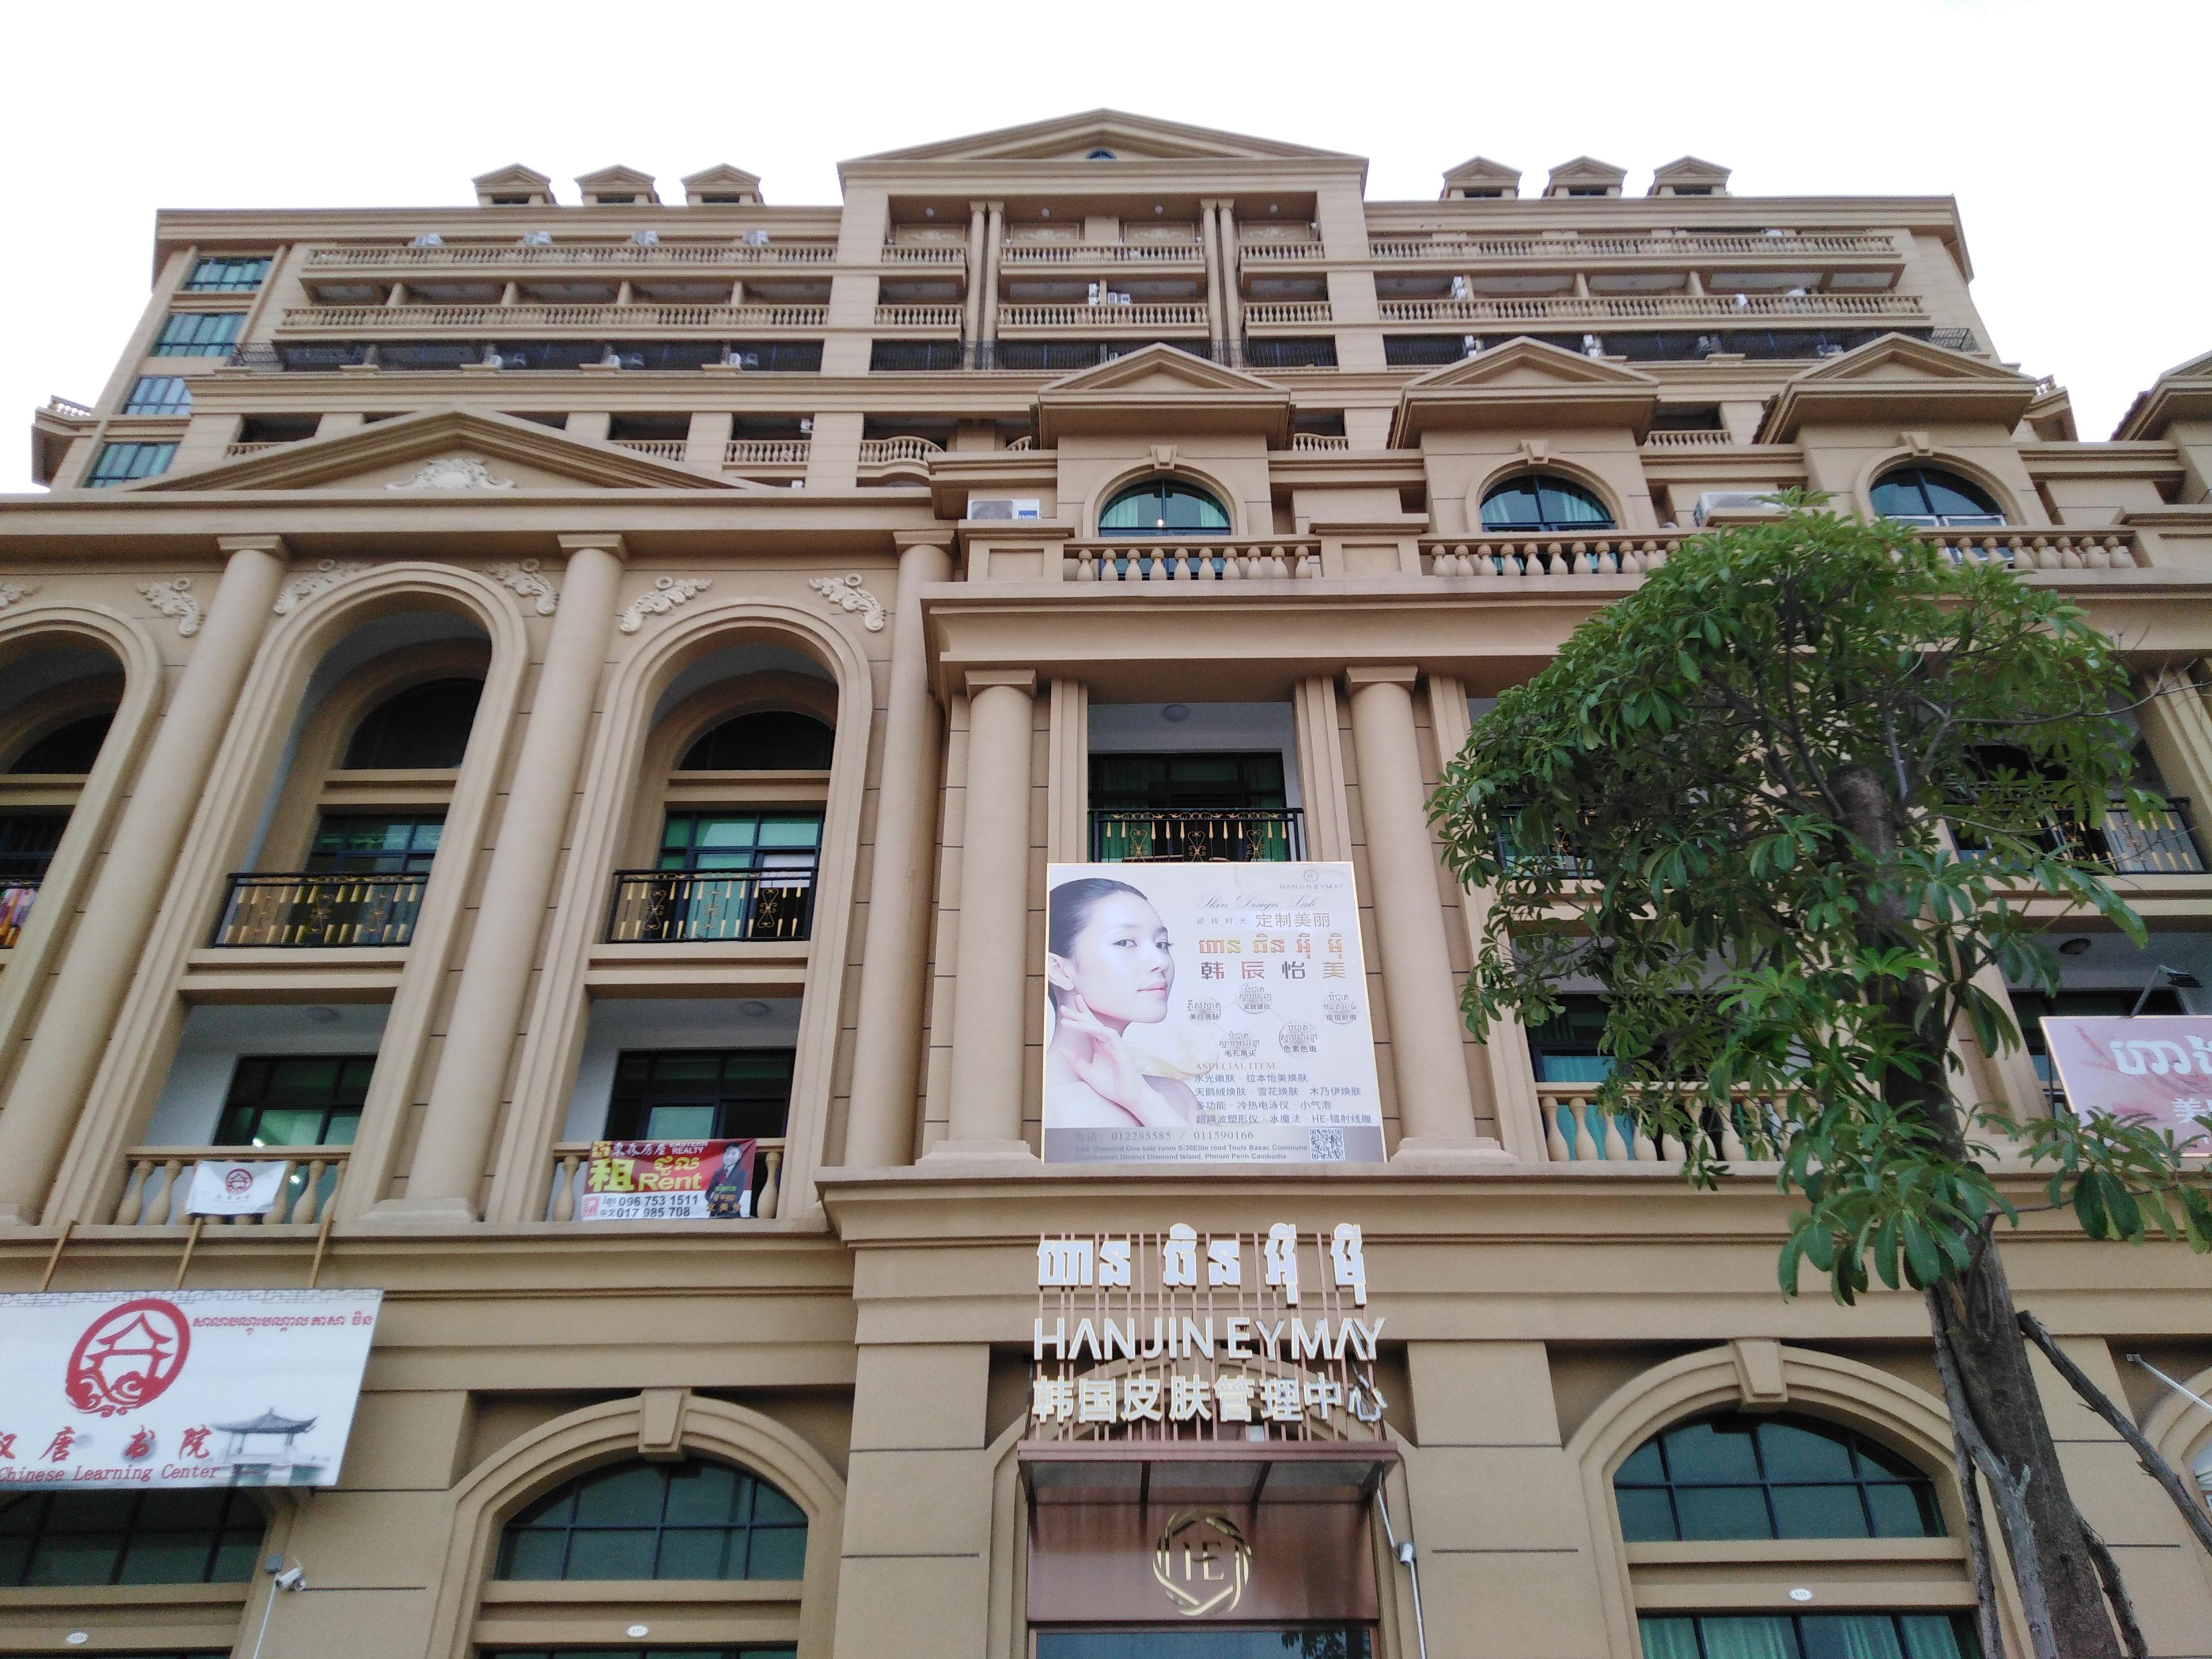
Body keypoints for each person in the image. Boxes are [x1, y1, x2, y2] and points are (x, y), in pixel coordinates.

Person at [1044, 877, 1199, 1130]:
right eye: (1125, 942)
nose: (1161, 961)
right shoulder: (1039, 1104)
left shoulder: (1176, 1098)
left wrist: (1143, 1102)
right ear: (1059, 970)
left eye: (1162, 945)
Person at [701, 1141, 753, 1218]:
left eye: (733, 1154)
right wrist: (713, 1200)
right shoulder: (718, 1173)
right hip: (714, 1214)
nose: (729, 1157)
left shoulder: (742, 1175)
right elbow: (708, 1193)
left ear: (740, 1156)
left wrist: (718, 1198)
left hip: (731, 1216)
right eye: (727, 1154)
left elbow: (736, 1197)